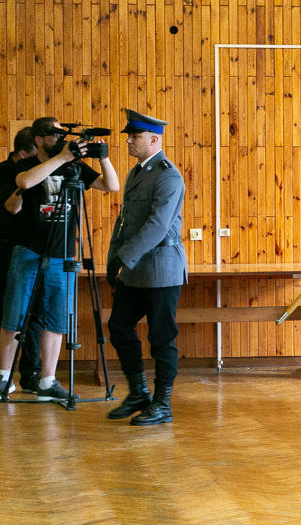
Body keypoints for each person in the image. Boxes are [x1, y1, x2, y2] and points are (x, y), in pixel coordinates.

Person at [0, 116, 119, 400]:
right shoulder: (29, 165)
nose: (59, 140)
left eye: (61, 135)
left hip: (62, 254)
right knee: (13, 317)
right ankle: (3, 377)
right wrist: (63, 157)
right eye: (53, 135)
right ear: (39, 140)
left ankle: (47, 381)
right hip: (28, 250)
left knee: (55, 319)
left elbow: (111, 186)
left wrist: (102, 158)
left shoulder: (73, 166)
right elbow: (26, 182)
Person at [106, 109, 187, 426]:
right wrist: (115, 257)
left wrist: (125, 257)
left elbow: (156, 226)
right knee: (119, 327)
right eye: (129, 135)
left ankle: (162, 404)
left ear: (154, 140)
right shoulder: (136, 173)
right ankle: (139, 393)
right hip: (136, 268)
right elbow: (124, 221)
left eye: (134, 136)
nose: (128, 140)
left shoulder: (169, 175)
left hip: (161, 270)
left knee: (161, 339)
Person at [0, 127, 40, 393]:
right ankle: (5, 376)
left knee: (34, 315)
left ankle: (31, 374)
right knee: (9, 316)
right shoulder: (6, 174)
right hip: (5, 250)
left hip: (28, 250)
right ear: (23, 153)